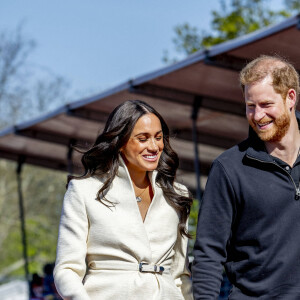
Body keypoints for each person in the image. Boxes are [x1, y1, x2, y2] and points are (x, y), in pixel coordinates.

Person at [54, 100, 193, 300]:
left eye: (158, 137)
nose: (154, 147)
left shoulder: (177, 194)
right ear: (120, 143)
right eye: (143, 138)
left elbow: (180, 274)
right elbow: (66, 269)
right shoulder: (84, 191)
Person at [192, 55, 300, 299]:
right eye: (250, 106)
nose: (257, 116)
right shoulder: (229, 168)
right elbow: (208, 254)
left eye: (266, 104)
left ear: (290, 97)